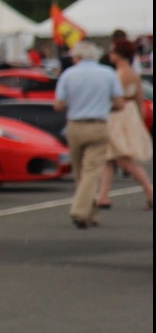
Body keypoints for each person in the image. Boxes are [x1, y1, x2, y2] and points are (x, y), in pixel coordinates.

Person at [52, 42, 122, 228]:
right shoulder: (108, 73)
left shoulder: (68, 75)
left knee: (79, 172)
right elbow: (119, 103)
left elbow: (58, 105)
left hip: (75, 126)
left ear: (78, 57)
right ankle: (86, 212)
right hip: (98, 125)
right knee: (92, 171)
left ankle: (82, 211)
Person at [93, 39, 154, 211]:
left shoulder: (121, 74)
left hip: (119, 115)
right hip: (128, 113)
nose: (110, 55)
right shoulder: (133, 73)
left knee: (123, 158)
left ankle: (150, 190)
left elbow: (115, 97)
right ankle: (103, 195)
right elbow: (139, 99)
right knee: (109, 157)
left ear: (119, 55)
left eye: (113, 52)